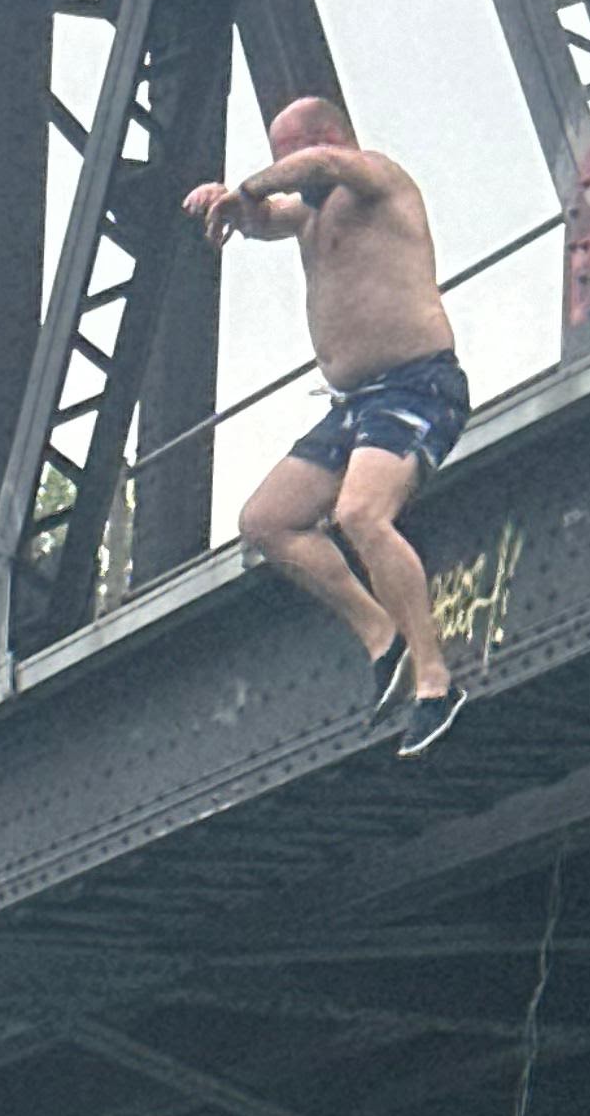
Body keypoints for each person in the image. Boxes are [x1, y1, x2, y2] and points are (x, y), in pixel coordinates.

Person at [185, 97, 472, 752]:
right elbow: (263, 218)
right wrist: (227, 204)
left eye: (289, 152)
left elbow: (319, 167)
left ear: (327, 137)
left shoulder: (376, 179)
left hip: (416, 384)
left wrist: (253, 183)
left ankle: (436, 681)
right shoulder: (310, 214)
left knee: (361, 515)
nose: (285, 167)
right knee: (266, 521)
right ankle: (383, 639)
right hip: (352, 405)